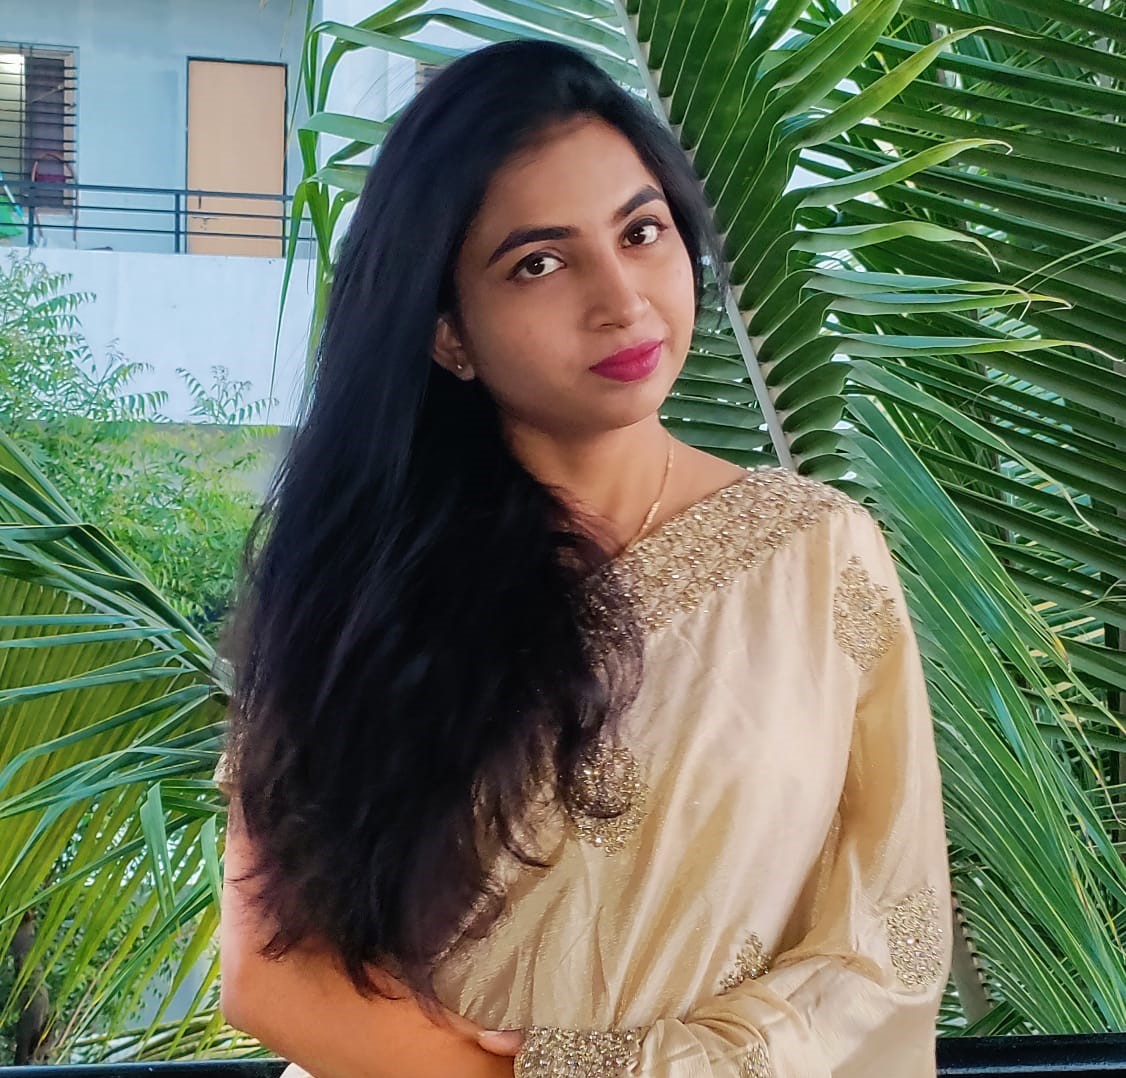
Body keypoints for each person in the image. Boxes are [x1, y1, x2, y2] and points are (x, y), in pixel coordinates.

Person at [216, 39, 953, 1078]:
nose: (622, 300)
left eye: (641, 232)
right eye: (539, 262)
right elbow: (270, 971)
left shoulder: (820, 555)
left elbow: (889, 936)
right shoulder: (361, 580)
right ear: (447, 332)